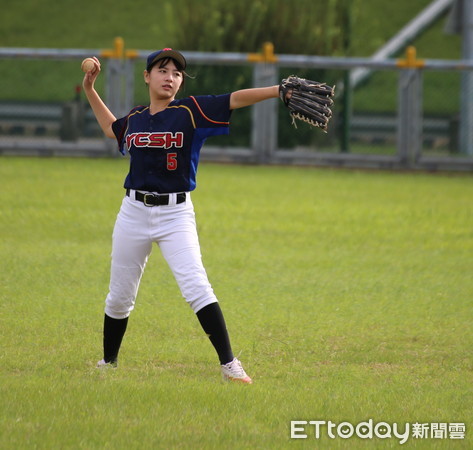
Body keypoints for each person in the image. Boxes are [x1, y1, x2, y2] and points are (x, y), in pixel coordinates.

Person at [82, 48, 280, 384]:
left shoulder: (190, 111)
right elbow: (111, 129)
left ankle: (230, 364)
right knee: (119, 295)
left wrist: (277, 90)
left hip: (176, 215)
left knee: (197, 287)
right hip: (133, 212)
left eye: (176, 73)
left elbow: (233, 99)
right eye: (162, 70)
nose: (169, 77)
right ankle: (109, 362)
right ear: (147, 76)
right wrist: (89, 88)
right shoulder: (136, 118)